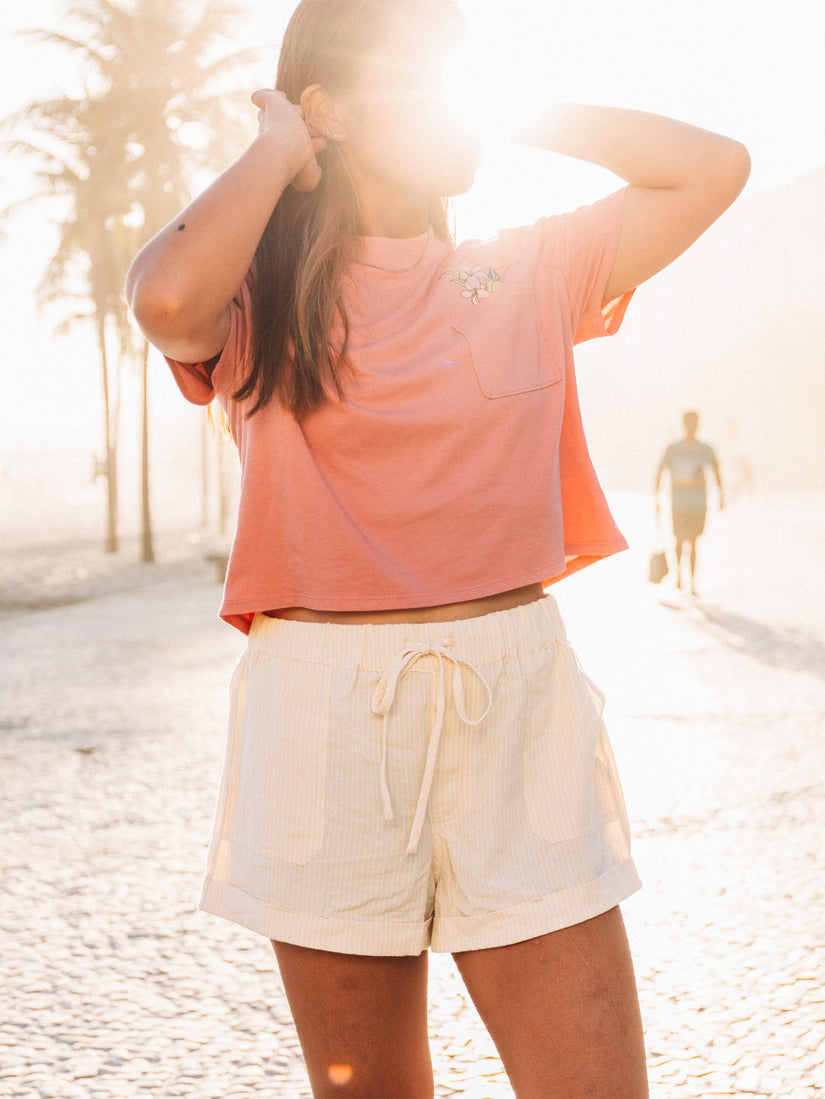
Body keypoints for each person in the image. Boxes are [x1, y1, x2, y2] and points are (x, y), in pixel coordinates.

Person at [125, 2, 749, 1095]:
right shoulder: (258, 301)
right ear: (336, 111)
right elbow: (167, 296)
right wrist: (279, 148)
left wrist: (519, 105)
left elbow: (712, 169)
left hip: (516, 703)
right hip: (323, 717)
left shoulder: (530, 268)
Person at [656, 410, 724, 596]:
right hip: (678, 502)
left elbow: (716, 472)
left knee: (693, 542)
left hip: (698, 504)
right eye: (689, 422)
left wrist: (720, 494)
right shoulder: (673, 449)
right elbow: (660, 471)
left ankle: (691, 581)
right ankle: (678, 576)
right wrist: (657, 499)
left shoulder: (705, 449)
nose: (691, 426)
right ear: (684, 423)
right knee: (679, 540)